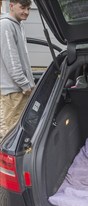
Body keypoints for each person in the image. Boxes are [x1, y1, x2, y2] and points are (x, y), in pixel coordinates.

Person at [0, 0, 34, 138]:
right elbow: (12, 61)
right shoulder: (6, 25)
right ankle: (5, 159)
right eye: (22, 7)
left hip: (19, 89)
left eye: (28, 8)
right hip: (14, 90)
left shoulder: (17, 25)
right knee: (10, 130)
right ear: (11, 6)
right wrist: (25, 84)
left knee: (16, 128)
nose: (26, 12)